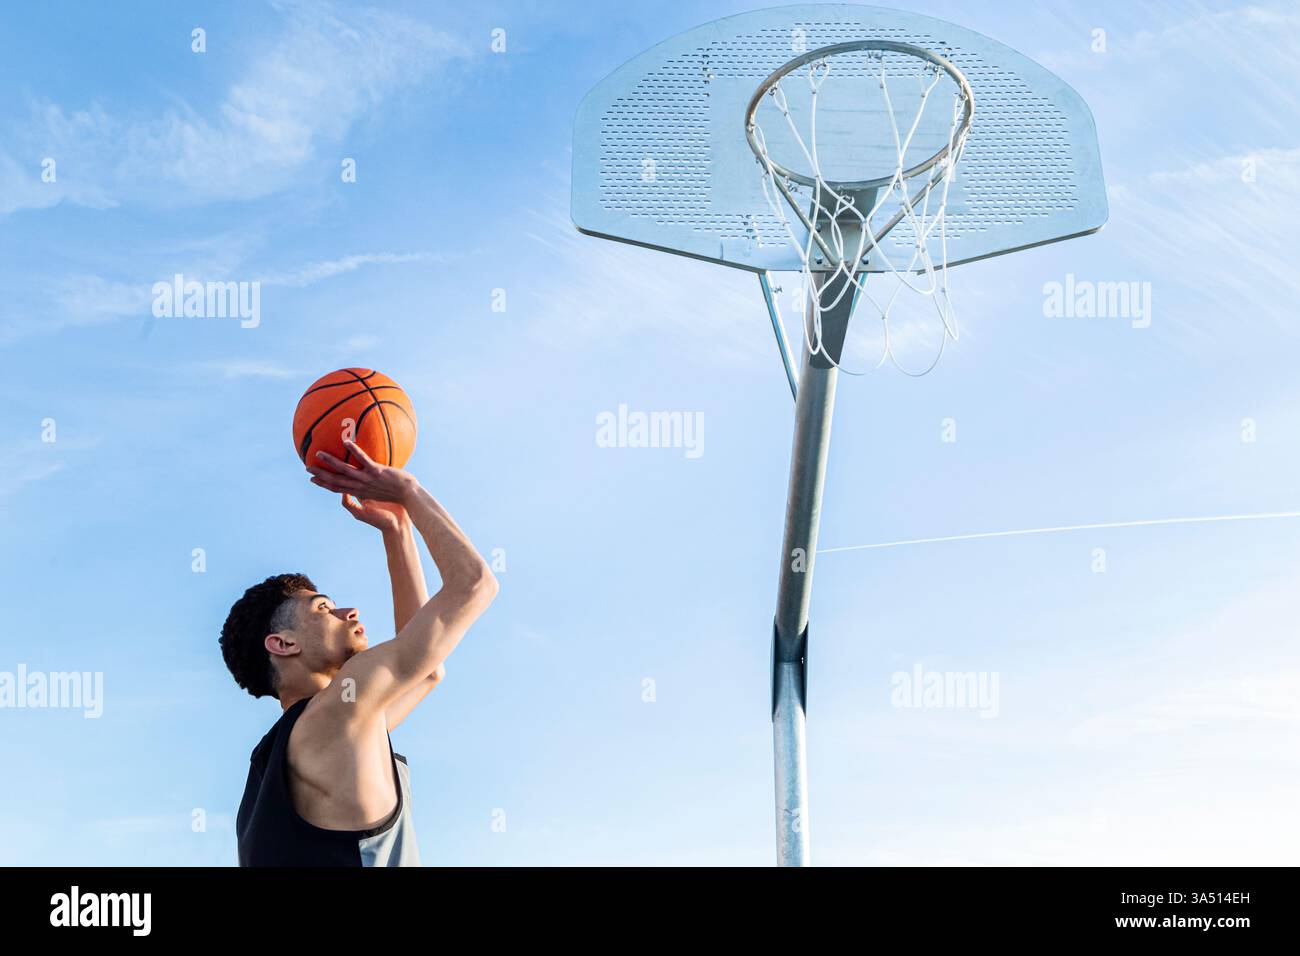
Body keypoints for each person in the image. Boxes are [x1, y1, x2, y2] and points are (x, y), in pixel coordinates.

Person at [220, 440, 497, 866]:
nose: (349, 611)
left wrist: (397, 531)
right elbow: (474, 584)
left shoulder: (285, 756)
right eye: (324, 608)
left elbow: (426, 672)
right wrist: (408, 490)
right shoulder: (338, 713)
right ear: (283, 644)